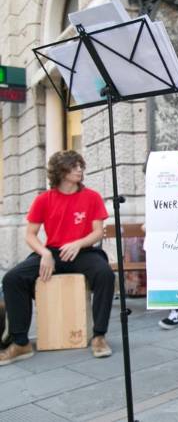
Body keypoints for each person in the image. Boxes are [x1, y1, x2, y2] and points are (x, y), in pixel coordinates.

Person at [0, 150, 115, 366]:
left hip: (83, 251)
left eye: (81, 165)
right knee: (13, 279)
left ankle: (99, 336)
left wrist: (78, 243)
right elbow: (30, 235)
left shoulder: (91, 197)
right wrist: (44, 253)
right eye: (74, 166)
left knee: (105, 275)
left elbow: (98, 232)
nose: (80, 169)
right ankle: (20, 343)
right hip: (52, 251)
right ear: (61, 172)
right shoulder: (43, 199)